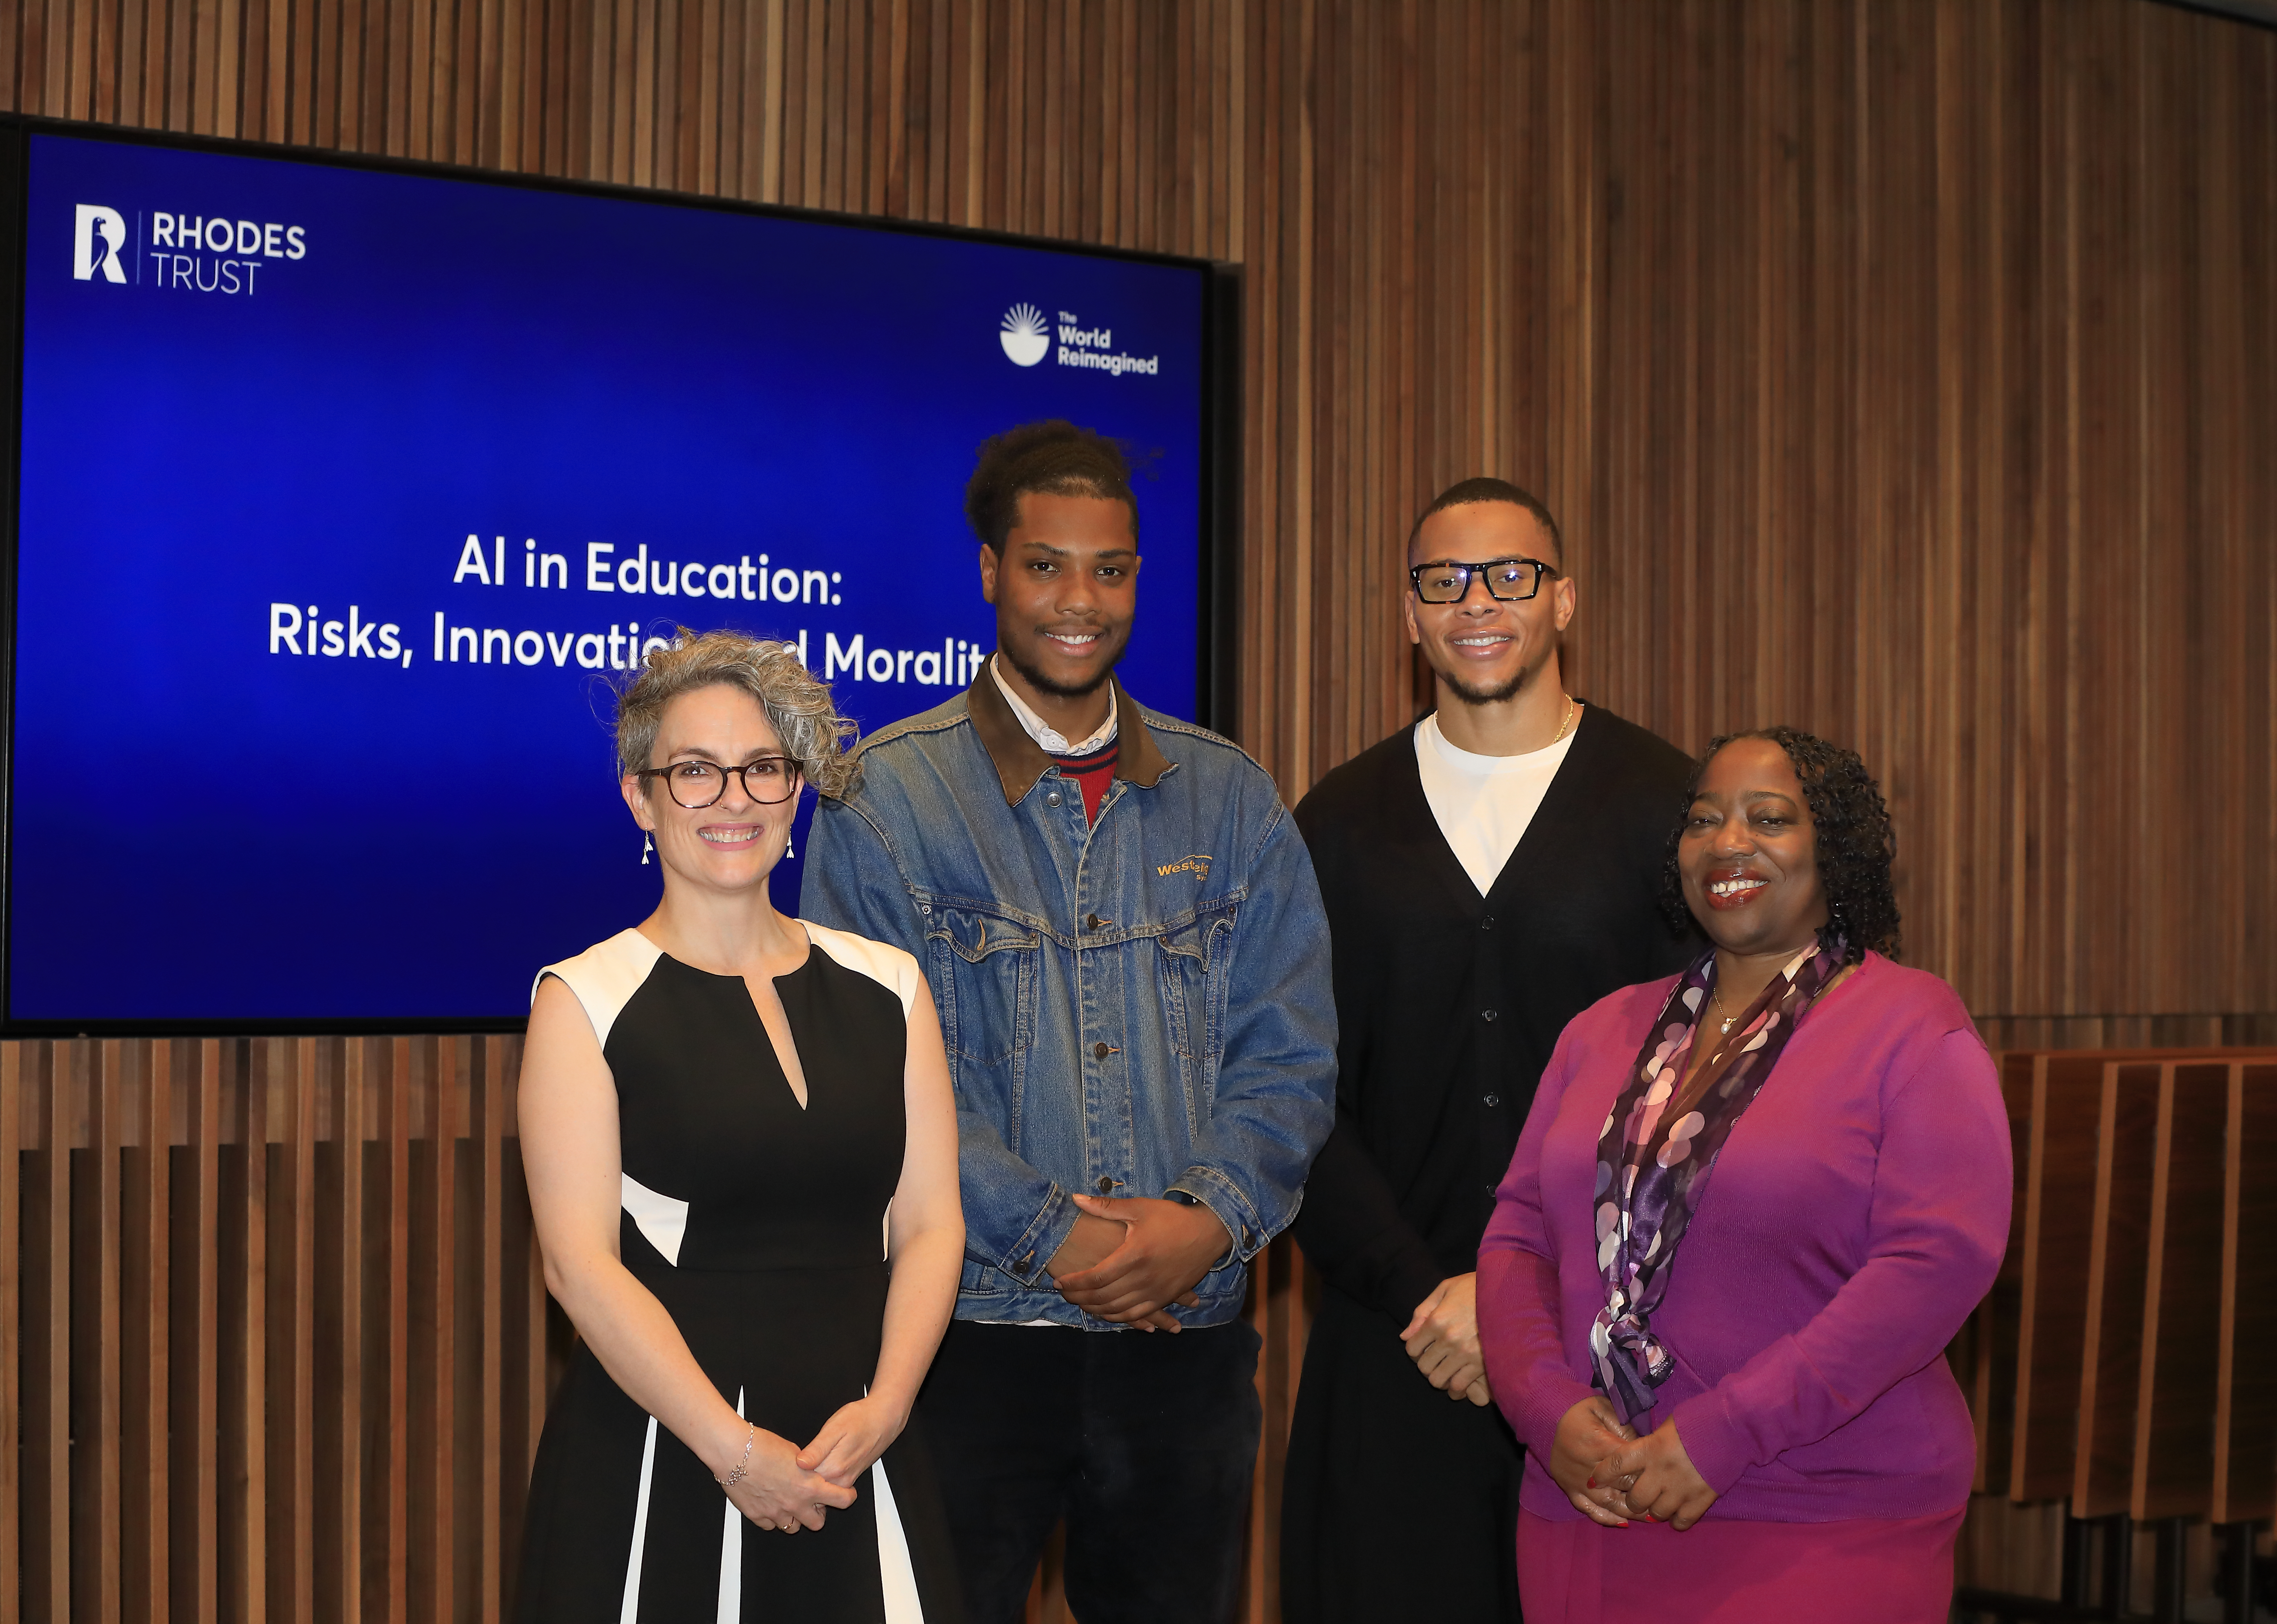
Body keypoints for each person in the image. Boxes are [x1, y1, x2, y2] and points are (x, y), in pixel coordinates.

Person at [800, 420, 1338, 1624]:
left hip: (1186, 1347)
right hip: (965, 1336)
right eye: (1045, 565)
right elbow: (881, 1073)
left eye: (1110, 568)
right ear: (990, 571)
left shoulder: (1232, 794)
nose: (1079, 600)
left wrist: (1210, 1221)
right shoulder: (884, 797)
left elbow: (1291, 1054)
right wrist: (1064, 1238)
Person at [1479, 728, 2012, 1623]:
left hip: (1816, 1515)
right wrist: (1546, 1411)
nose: (1730, 842)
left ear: (1830, 848)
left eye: (1770, 818)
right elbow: (1518, 1233)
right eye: (1703, 820)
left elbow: (1935, 1264)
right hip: (1589, 1504)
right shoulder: (1600, 1030)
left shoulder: (1914, 1028)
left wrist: (1727, 1433)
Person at [1279, 477, 1693, 1621]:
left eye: (1512, 575)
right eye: (1444, 581)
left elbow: (1703, 1082)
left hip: (1613, 1344)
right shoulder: (1338, 820)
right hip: (1401, 1341)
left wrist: (1534, 1298)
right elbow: (1293, 1090)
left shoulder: (1669, 810)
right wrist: (1431, 1295)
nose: (1479, 602)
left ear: (1564, 602)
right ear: (1409, 616)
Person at [512, 629, 966, 1623]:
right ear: (641, 795)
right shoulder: (581, 1001)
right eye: (696, 773)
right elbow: (579, 1270)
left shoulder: (892, 986)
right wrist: (735, 1451)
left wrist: (888, 1408)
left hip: (861, 1448)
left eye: (763, 769)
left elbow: (932, 1223)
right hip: (667, 1455)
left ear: (796, 789)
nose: (734, 800)